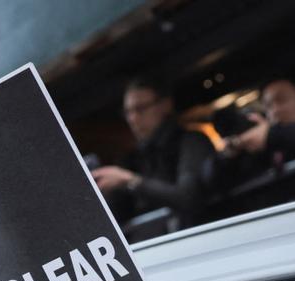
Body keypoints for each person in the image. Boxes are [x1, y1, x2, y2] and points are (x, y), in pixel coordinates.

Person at [91, 76, 214, 231]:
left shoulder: (191, 141)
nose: (133, 119)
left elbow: (189, 198)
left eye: (140, 109)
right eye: (128, 112)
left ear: (165, 105)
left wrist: (130, 181)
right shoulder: (133, 158)